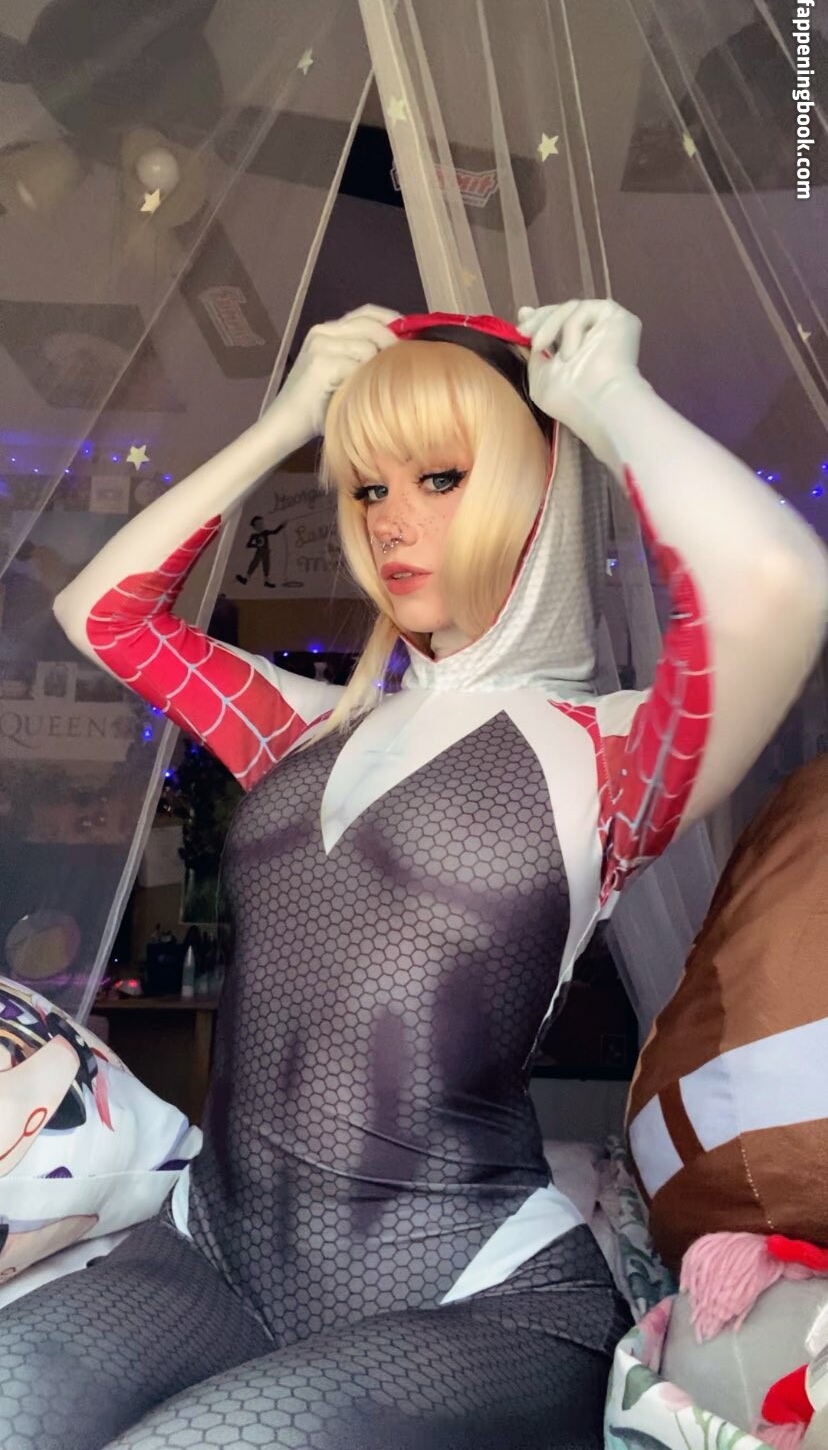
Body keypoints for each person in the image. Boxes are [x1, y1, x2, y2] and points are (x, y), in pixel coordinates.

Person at [4, 301, 825, 1450]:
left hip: (474, 1292)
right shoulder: (305, 728)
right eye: (365, 487)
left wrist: (609, 402)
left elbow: (778, 582)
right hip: (210, 1251)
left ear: (543, 482)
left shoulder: (611, 756)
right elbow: (103, 614)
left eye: (440, 477)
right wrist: (286, 419)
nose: (390, 520)